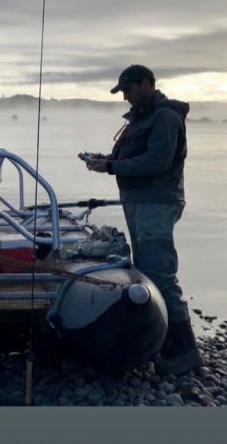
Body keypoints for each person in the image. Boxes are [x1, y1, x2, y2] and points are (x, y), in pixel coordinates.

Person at [82, 64, 202, 376]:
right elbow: (131, 159)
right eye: (122, 92)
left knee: (160, 274)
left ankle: (187, 350)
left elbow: (156, 162)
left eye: (129, 90)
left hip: (157, 203)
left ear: (147, 83)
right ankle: (163, 339)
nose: (125, 97)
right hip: (139, 202)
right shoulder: (140, 117)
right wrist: (106, 161)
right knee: (146, 268)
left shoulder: (165, 117)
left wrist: (110, 168)